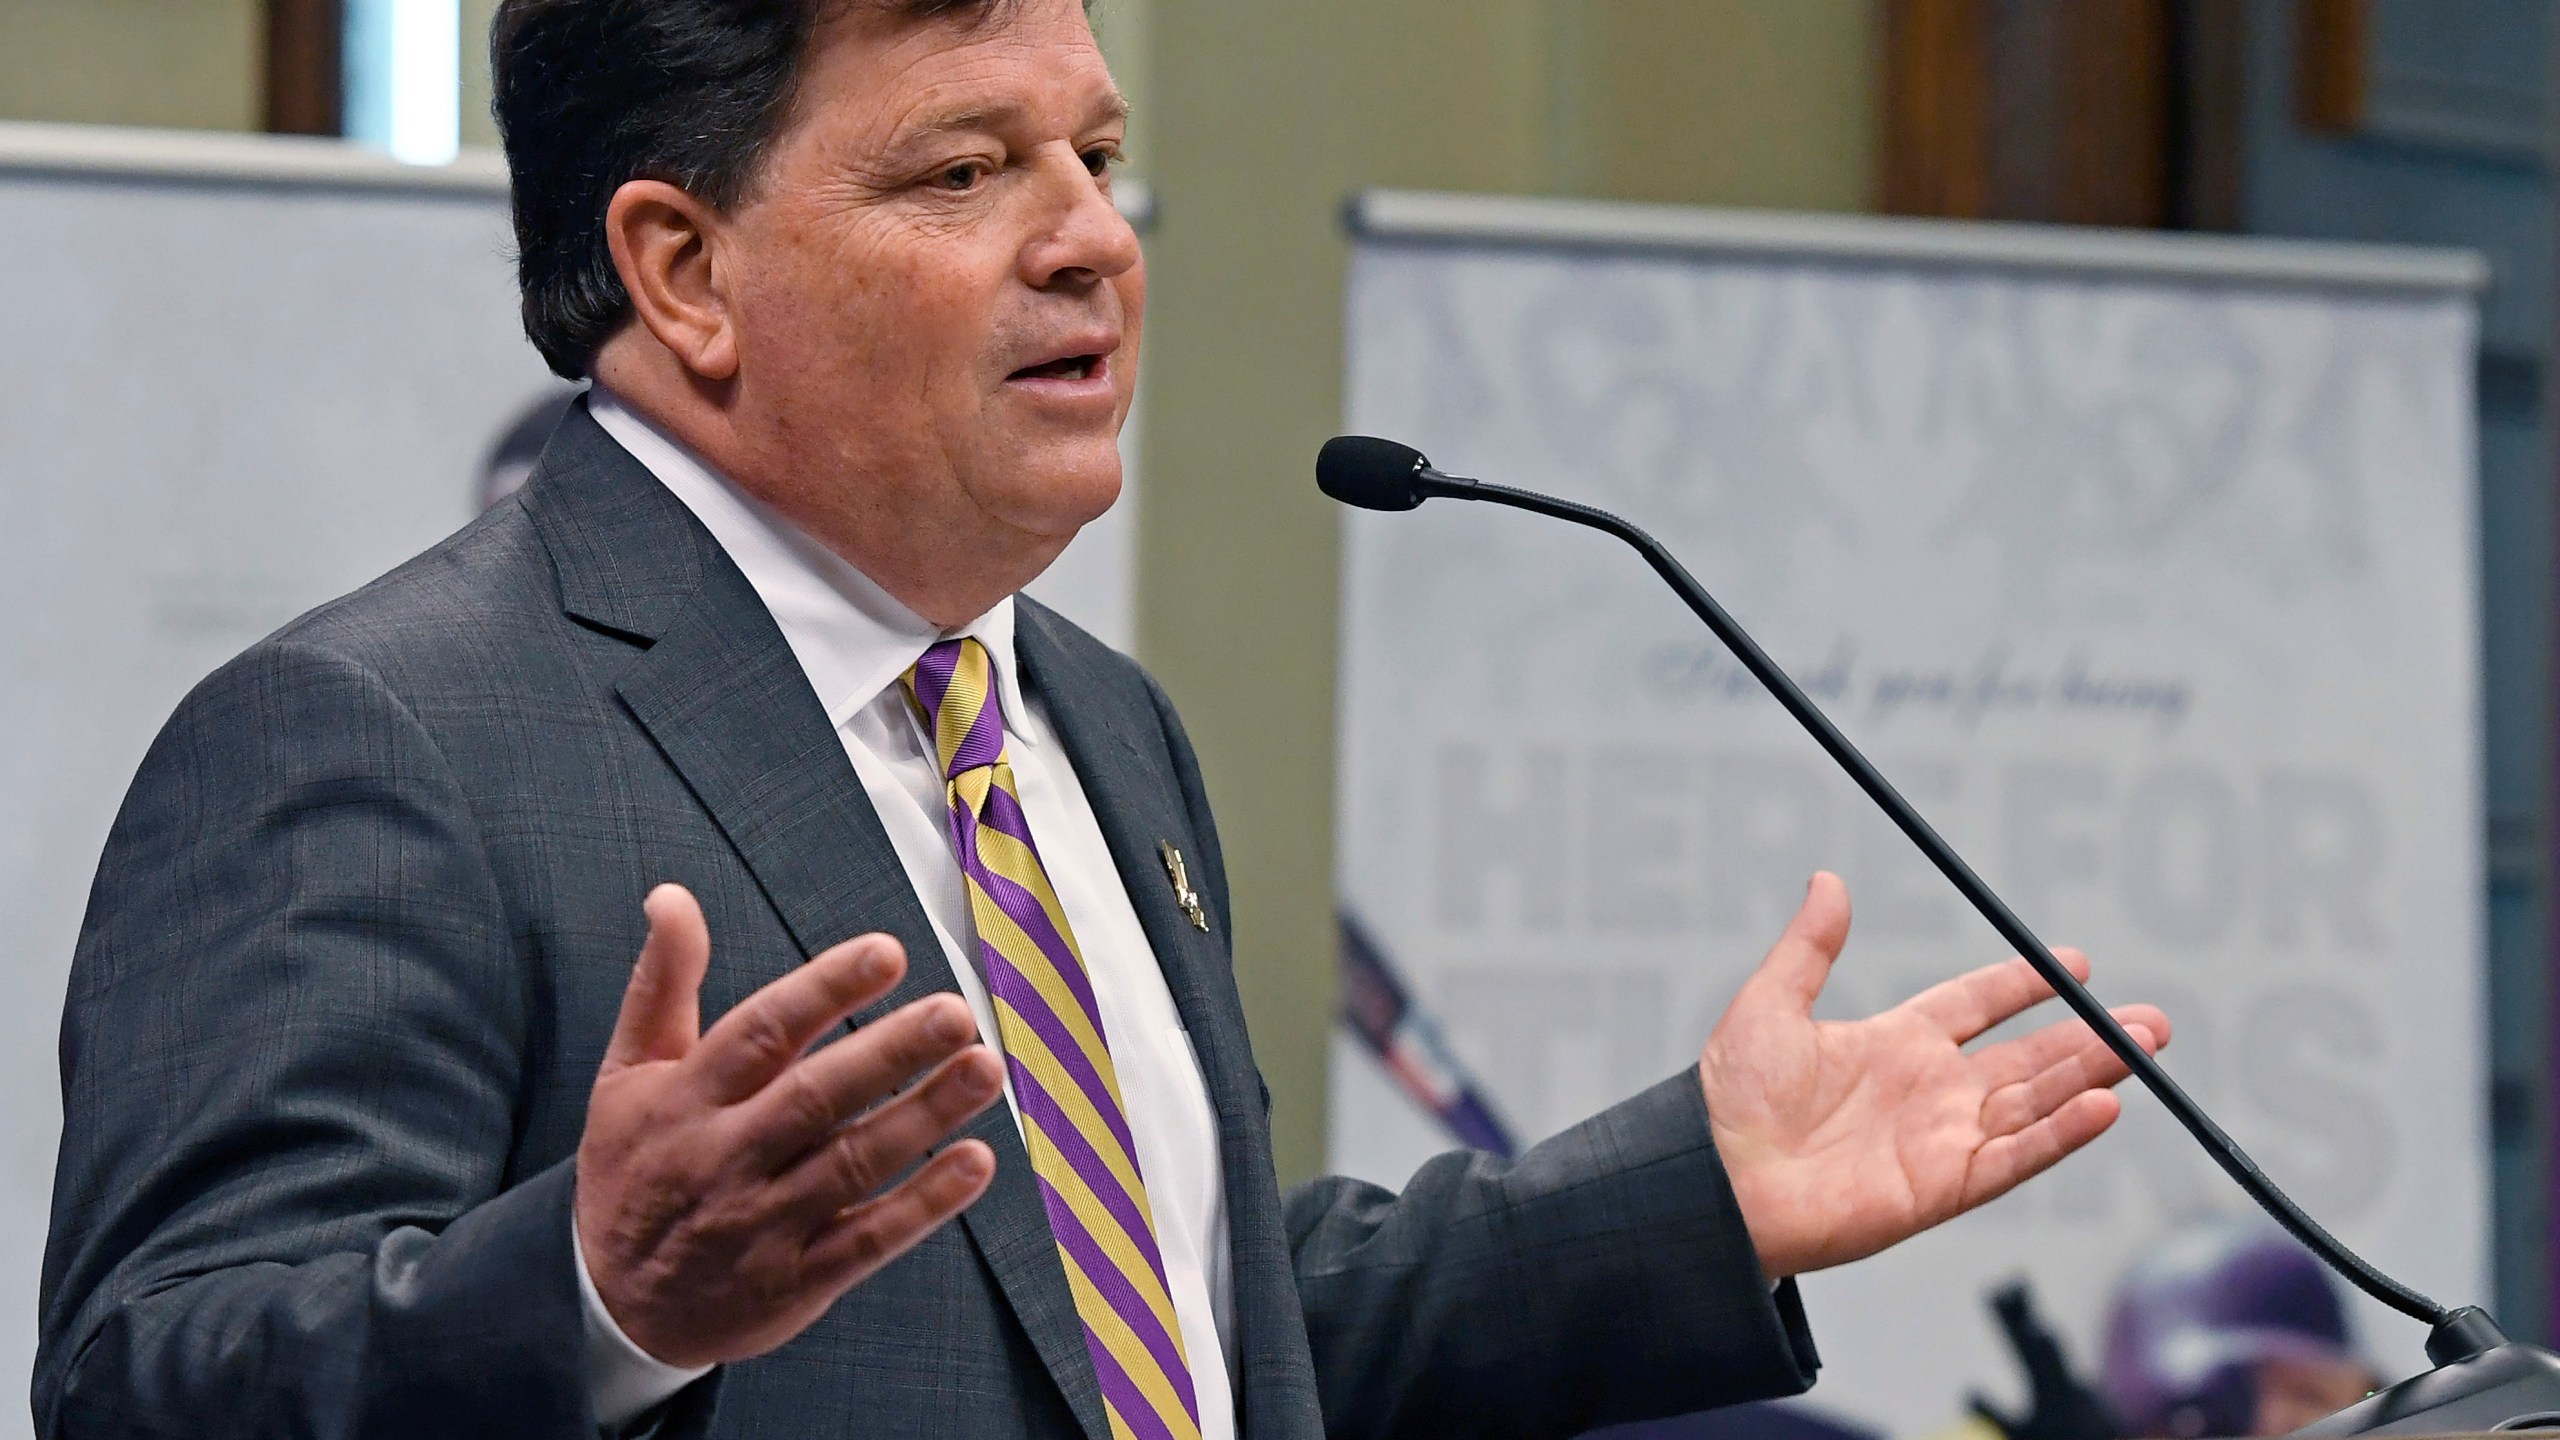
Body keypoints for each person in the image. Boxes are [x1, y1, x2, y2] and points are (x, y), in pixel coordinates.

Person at [32, 2, 2169, 1437]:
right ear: (680, 271)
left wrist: (1692, 1196)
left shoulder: (1085, 724)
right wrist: (593, 1291)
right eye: (961, 173)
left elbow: (1160, 1318)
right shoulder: (373, 736)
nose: (1088, 240)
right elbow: (153, 1379)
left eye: (1096, 152)